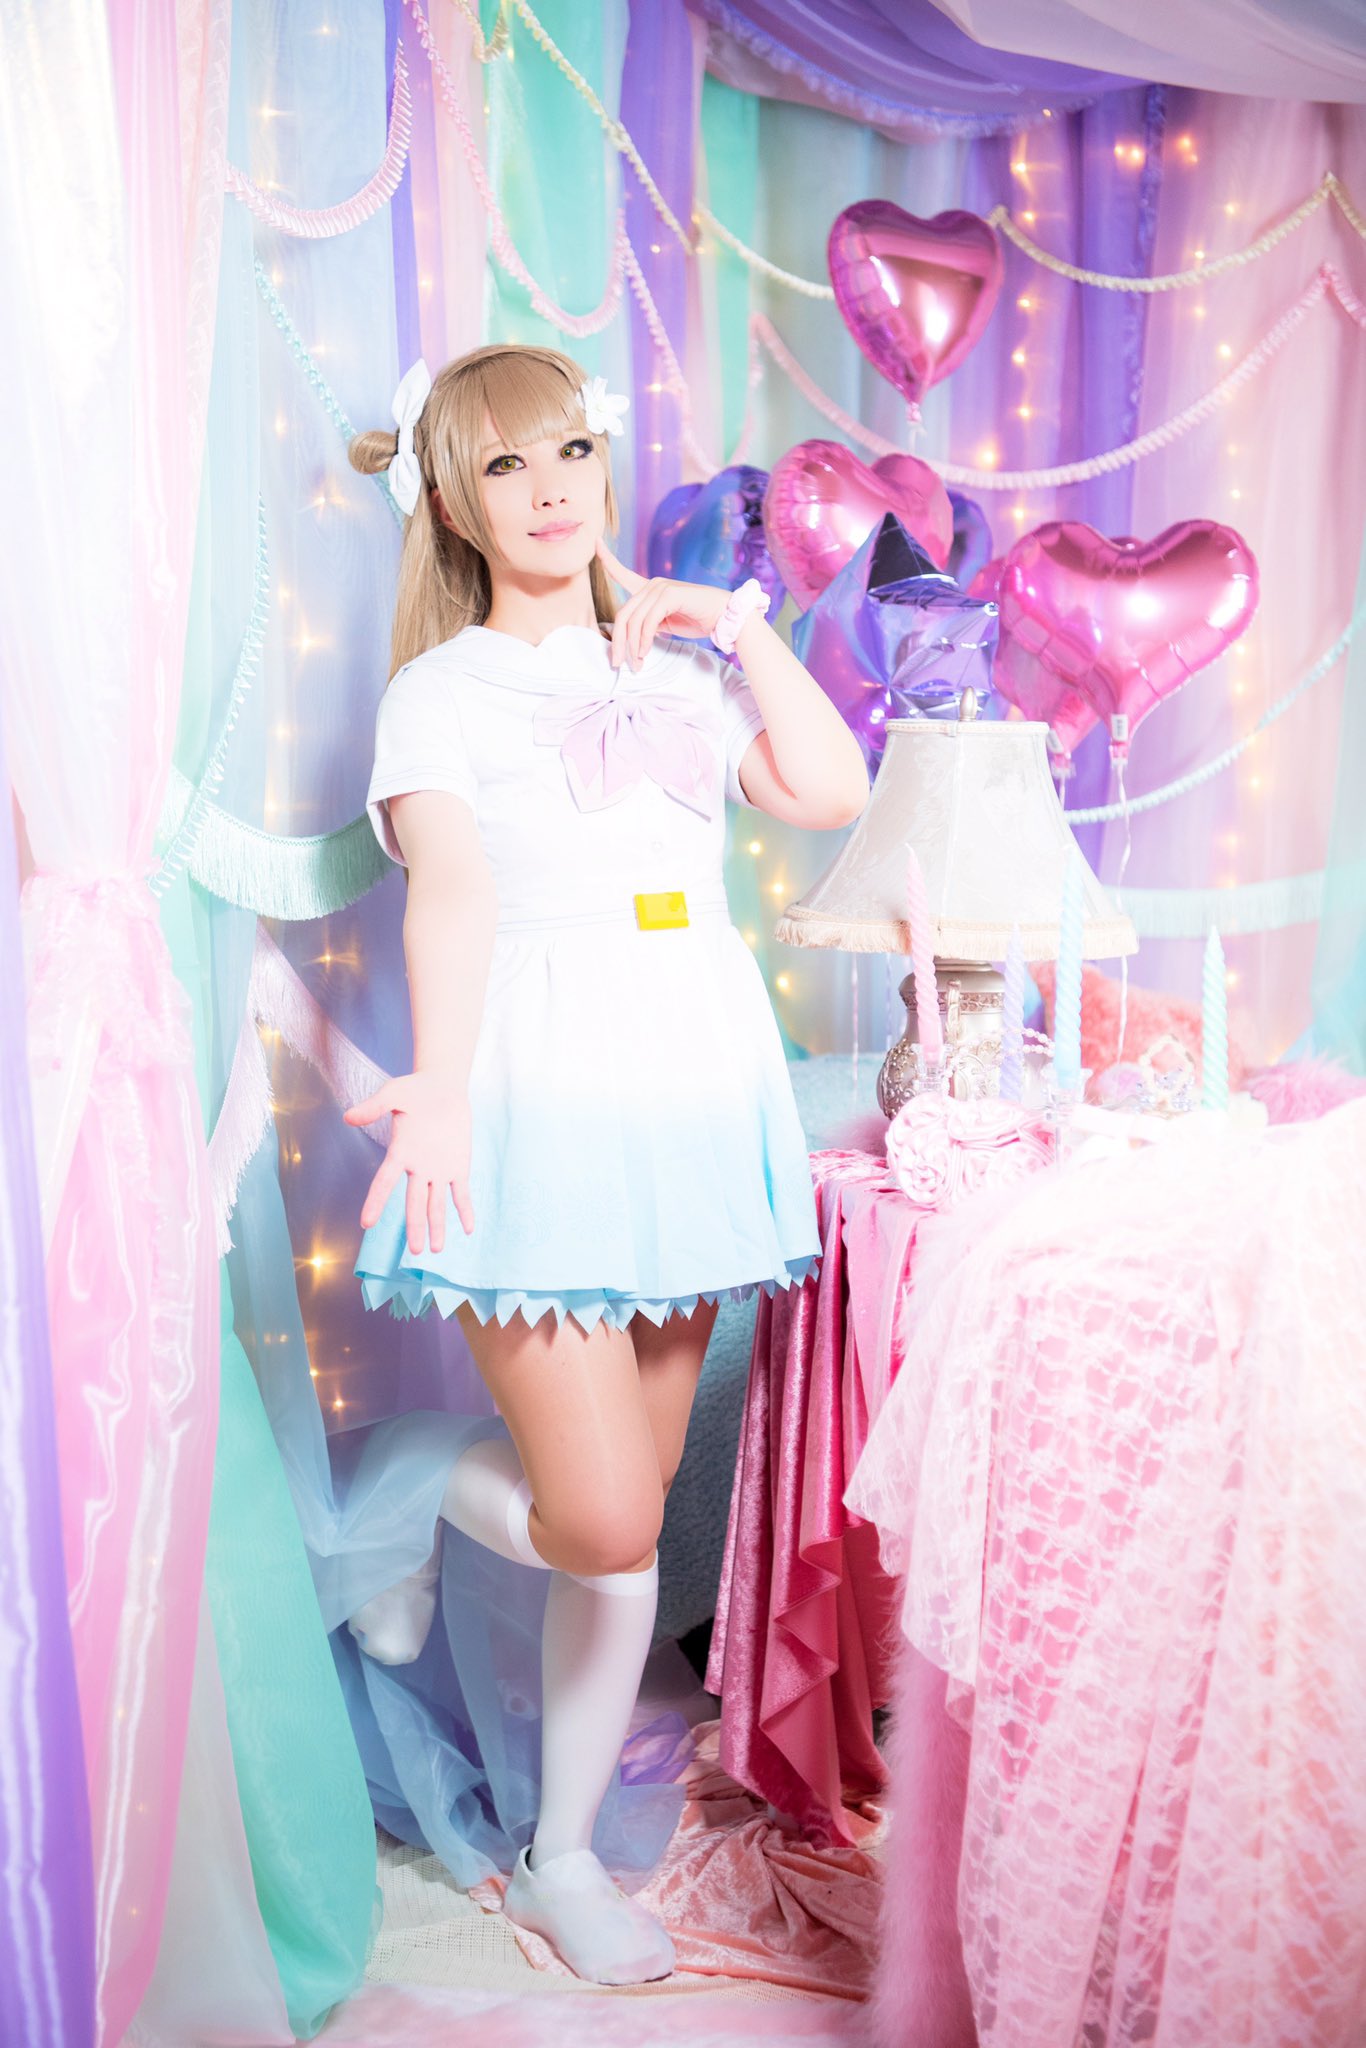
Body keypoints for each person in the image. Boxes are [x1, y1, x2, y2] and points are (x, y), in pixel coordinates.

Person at [342, 342, 868, 1985]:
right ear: (452, 503)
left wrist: (736, 625)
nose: (549, 488)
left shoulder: (679, 668)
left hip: (692, 1098)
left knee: (627, 1538)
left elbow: (831, 786)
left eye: (568, 450)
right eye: (504, 466)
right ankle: (407, 1485)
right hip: (542, 1095)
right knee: (600, 1514)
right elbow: (453, 895)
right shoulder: (438, 694)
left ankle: (561, 1854)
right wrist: (439, 1089)